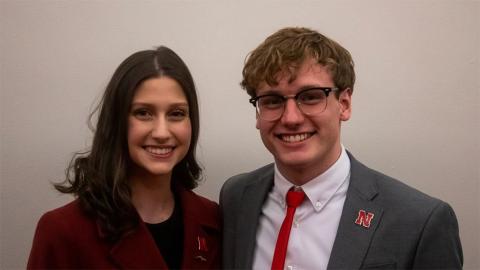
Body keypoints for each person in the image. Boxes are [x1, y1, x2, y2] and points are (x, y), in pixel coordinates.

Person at [220, 27, 463, 270]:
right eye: (272, 101)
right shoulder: (237, 197)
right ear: (258, 112)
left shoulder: (420, 221)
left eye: (311, 97)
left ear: (344, 104)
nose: (291, 118)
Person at [28, 46, 220, 269]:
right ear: (116, 121)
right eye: (143, 113)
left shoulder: (213, 220)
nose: (161, 132)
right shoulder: (62, 231)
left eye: (176, 114)